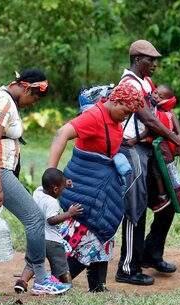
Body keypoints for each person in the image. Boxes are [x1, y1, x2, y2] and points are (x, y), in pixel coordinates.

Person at [0, 68, 69, 301]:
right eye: (34, 98)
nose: (33, 104)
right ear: (26, 87)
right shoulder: (3, 102)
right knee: (34, 218)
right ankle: (41, 280)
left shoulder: (3, 96)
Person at [48, 81, 145, 292]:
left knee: (103, 234)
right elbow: (61, 134)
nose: (126, 117)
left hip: (102, 188)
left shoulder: (114, 118)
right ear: (116, 100)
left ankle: (97, 286)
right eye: (126, 112)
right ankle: (57, 282)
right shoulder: (94, 117)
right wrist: (51, 174)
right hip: (87, 188)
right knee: (90, 237)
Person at [116, 40, 180, 286]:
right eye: (150, 60)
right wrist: (174, 138)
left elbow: (167, 107)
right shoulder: (130, 84)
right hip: (132, 148)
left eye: (156, 59)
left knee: (168, 202)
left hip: (150, 148)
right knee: (135, 209)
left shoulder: (146, 82)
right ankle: (128, 267)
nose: (155, 64)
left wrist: (179, 134)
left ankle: (151, 254)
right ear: (138, 60)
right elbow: (150, 120)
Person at [14, 168, 83, 294]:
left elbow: (49, 184)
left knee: (32, 262)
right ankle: (68, 287)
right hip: (52, 241)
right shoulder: (52, 202)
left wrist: (63, 183)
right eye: (62, 189)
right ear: (55, 189)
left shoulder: (38, 191)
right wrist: (69, 213)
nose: (63, 191)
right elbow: (51, 220)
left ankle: (22, 282)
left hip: (36, 237)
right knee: (62, 266)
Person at [126, 84, 180, 211]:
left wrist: (134, 140)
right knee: (170, 167)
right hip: (167, 144)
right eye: (155, 93)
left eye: (160, 96)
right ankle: (179, 187)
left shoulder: (157, 111)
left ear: (166, 100)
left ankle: (162, 196)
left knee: (157, 170)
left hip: (161, 145)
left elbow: (148, 131)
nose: (156, 96)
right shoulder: (164, 109)